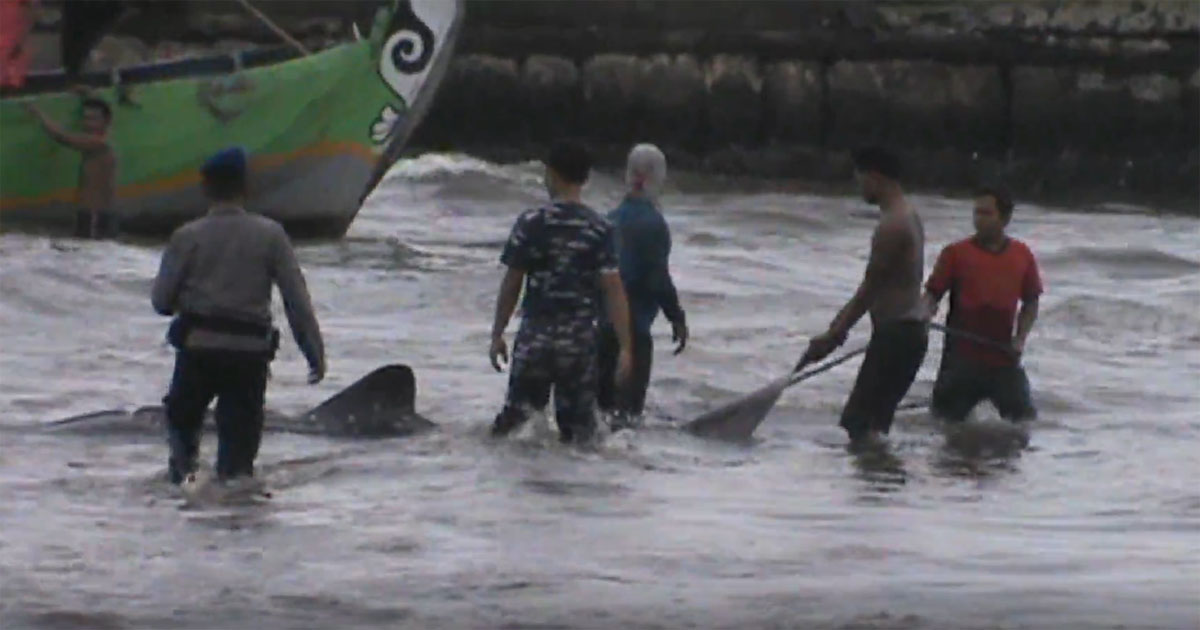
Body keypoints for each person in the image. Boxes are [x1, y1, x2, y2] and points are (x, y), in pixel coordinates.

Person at [151, 146, 326, 485]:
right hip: (248, 357)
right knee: (238, 465)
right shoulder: (271, 235)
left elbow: (161, 302)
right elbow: (296, 301)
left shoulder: (187, 236)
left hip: (198, 353)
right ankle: (238, 519)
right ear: (246, 186)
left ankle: (183, 509)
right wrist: (313, 353)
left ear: (205, 187)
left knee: (182, 457)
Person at [488, 139, 634, 446]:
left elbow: (513, 281)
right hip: (578, 343)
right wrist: (626, 347)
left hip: (535, 339)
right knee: (580, 436)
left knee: (515, 428)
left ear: (551, 174)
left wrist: (498, 333)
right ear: (586, 178)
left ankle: (519, 486)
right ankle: (570, 487)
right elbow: (614, 290)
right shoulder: (600, 228)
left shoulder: (531, 223)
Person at [796, 146, 928, 449]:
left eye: (860, 180)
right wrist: (835, 330)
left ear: (875, 177)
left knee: (857, 424)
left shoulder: (891, 226)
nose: (859, 187)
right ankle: (882, 486)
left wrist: (835, 333)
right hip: (907, 334)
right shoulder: (910, 215)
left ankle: (875, 488)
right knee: (875, 426)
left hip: (897, 336)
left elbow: (870, 290)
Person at [923, 186, 1042, 424]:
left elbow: (1031, 302)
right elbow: (932, 295)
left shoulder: (1022, 254)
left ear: (1005, 218)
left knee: (1024, 425)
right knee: (942, 426)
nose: (979, 220)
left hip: (1003, 359)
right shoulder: (955, 253)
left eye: (986, 214)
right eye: (976, 213)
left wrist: (1020, 339)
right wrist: (923, 316)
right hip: (961, 361)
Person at [595, 143, 688, 428]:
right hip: (634, 332)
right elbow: (657, 278)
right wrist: (677, 318)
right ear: (657, 178)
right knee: (627, 419)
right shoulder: (653, 224)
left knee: (600, 414)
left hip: (601, 330)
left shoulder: (609, 220)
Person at [23, 97, 118, 238]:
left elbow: (62, 137)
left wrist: (38, 114)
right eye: (85, 118)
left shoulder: (98, 143)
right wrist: (87, 93)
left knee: (89, 253)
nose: (87, 123)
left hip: (94, 215)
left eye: (93, 119)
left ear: (106, 121)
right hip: (94, 213)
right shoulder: (103, 140)